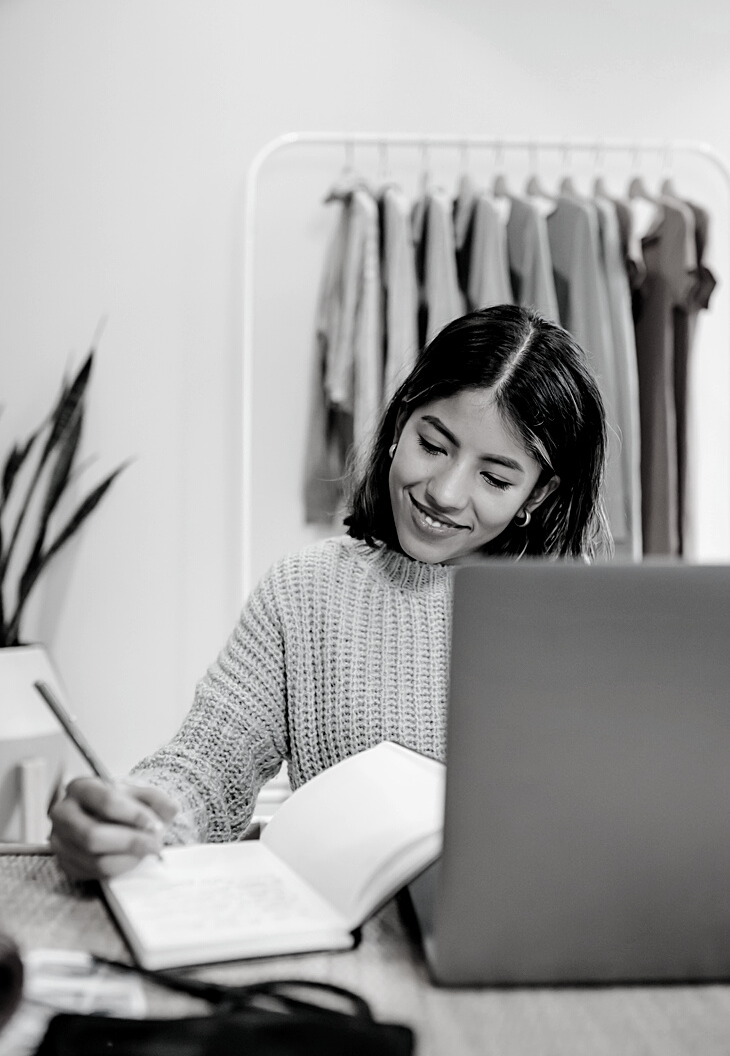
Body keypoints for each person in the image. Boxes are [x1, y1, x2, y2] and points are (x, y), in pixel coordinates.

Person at [50, 304, 610, 880]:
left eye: (494, 478)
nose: (445, 491)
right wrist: (133, 816)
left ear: (538, 496)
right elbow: (205, 767)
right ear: (400, 423)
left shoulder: (584, 619)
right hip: (343, 951)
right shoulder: (305, 593)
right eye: (433, 445)